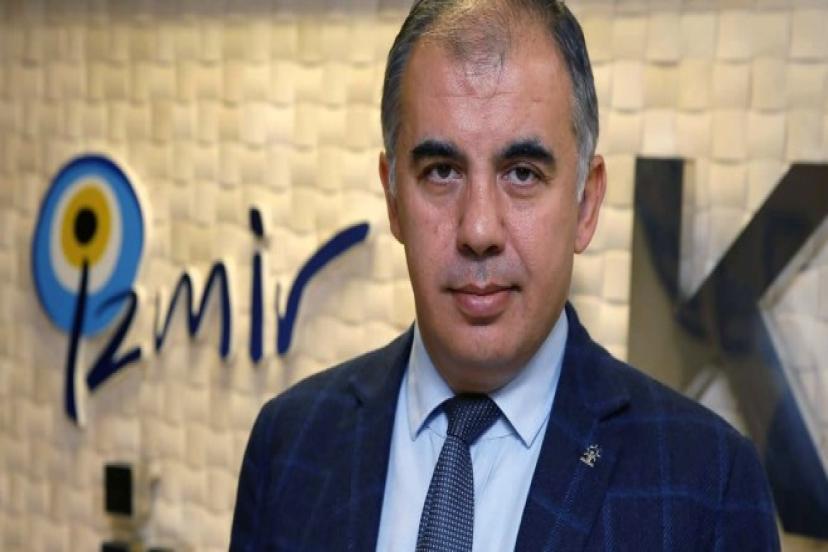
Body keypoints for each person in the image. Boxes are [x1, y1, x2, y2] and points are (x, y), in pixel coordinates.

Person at [230, 1, 780, 550]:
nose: (478, 229)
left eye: (522, 174)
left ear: (586, 204)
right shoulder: (290, 443)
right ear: (393, 197)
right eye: (441, 172)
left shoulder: (707, 486)